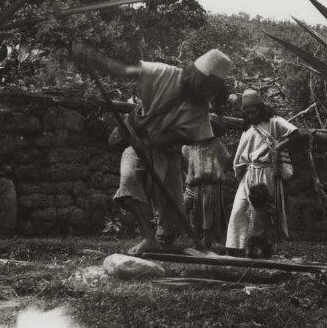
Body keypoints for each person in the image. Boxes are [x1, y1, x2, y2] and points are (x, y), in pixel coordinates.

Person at [71, 43, 231, 256]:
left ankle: (164, 241)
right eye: (205, 85)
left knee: (170, 205)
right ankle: (148, 237)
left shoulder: (200, 109)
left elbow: (185, 136)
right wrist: (92, 57)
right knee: (129, 183)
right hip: (135, 139)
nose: (207, 92)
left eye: (212, 89)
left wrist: (152, 143)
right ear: (196, 75)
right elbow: (124, 71)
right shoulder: (164, 73)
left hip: (167, 151)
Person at [225, 89, 299, 256]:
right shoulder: (248, 128)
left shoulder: (274, 122)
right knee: (239, 210)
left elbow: (296, 133)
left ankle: (265, 249)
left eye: (253, 112)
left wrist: (277, 147)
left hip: (266, 172)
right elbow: (241, 156)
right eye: (247, 113)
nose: (250, 116)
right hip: (249, 173)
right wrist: (240, 172)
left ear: (261, 108)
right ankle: (236, 248)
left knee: (264, 214)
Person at [182, 123, 233, 250]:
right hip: (192, 185)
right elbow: (183, 163)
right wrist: (189, 176)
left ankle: (206, 244)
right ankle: (193, 239)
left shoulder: (217, 146)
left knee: (208, 214)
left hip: (210, 185)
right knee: (187, 209)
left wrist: (218, 174)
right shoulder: (189, 147)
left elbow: (227, 163)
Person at [245, 183, 276, 259]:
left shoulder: (251, 207)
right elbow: (274, 213)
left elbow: (247, 215)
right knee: (260, 250)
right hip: (262, 234)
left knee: (248, 250)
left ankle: (245, 263)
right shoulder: (267, 208)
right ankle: (261, 265)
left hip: (250, 233)